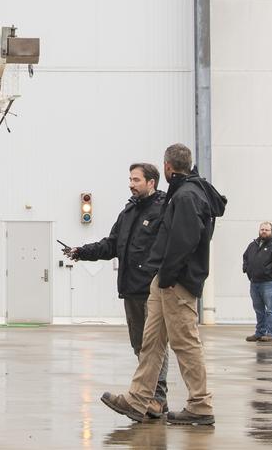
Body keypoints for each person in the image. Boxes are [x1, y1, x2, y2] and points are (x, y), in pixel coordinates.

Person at [101, 143, 227, 427]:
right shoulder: (183, 192)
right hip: (163, 281)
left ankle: (200, 404)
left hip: (176, 282)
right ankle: (139, 399)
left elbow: (185, 242)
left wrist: (168, 277)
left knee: (185, 343)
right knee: (151, 343)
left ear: (167, 167)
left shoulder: (186, 195)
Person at [65, 163, 170, 416]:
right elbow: (111, 245)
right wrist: (81, 252)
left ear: (151, 182)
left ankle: (156, 399)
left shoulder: (164, 209)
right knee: (139, 345)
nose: (131, 184)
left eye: (136, 179)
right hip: (131, 289)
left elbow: (169, 248)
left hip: (151, 290)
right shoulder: (129, 211)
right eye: (130, 179)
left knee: (153, 346)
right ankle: (152, 398)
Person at [243, 221, 272, 342]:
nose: (264, 231)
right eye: (262, 229)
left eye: (267, 230)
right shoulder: (253, 245)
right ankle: (260, 332)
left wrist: (267, 271)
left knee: (270, 309)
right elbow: (245, 257)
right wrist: (246, 269)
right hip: (254, 282)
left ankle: (271, 334)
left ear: (271, 232)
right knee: (258, 309)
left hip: (268, 283)